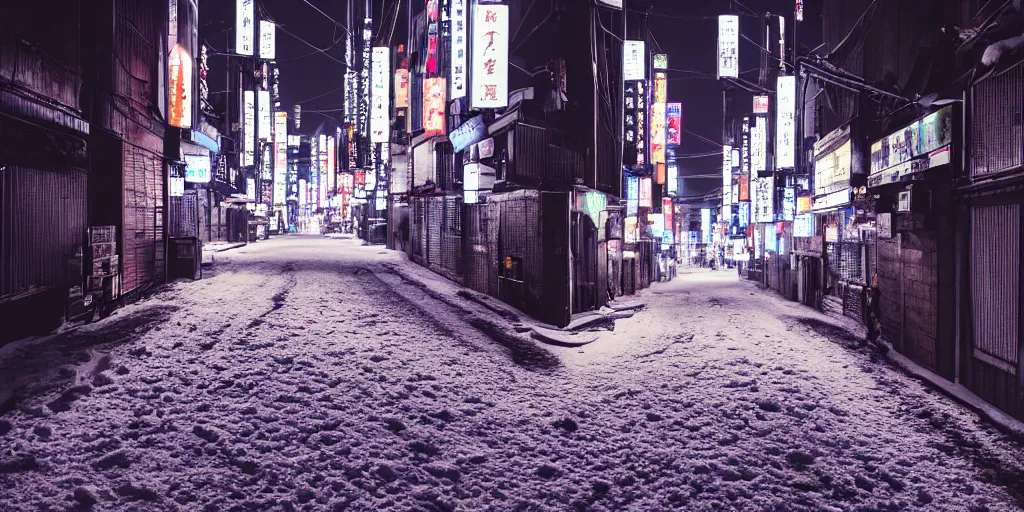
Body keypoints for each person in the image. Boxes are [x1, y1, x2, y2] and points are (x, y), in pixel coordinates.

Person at [862, 273, 883, 348]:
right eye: (874, 280)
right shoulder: (873, 289)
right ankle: (870, 337)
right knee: (870, 323)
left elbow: (874, 300)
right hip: (870, 310)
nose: (875, 282)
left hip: (874, 311)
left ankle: (874, 339)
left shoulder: (877, 292)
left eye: (876, 281)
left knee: (875, 324)